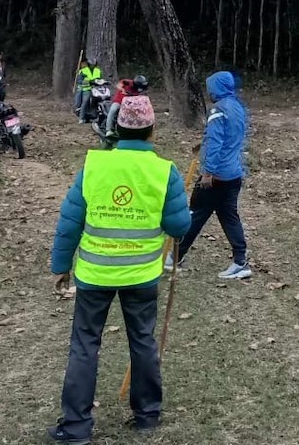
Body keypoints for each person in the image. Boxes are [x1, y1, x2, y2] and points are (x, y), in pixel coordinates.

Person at [47, 95, 191, 443]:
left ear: (117, 128)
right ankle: (147, 415)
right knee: (142, 341)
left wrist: (61, 265)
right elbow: (179, 227)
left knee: (85, 345)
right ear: (152, 130)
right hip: (141, 275)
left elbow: (70, 222)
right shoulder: (164, 171)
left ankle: (77, 426)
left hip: (94, 274)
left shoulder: (94, 166)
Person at [168, 71, 251, 280]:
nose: (209, 93)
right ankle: (240, 261)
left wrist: (208, 172)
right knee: (229, 215)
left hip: (217, 176)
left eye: (210, 88)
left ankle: (175, 257)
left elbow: (215, 141)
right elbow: (231, 138)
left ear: (217, 89)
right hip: (234, 173)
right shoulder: (237, 107)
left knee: (195, 214)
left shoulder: (217, 110)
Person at [73, 58, 103, 124]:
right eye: (91, 64)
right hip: (87, 89)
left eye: (94, 64)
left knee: (100, 100)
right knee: (85, 101)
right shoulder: (83, 71)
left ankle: (98, 116)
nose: (92, 65)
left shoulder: (98, 71)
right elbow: (79, 81)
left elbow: (101, 79)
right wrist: (87, 82)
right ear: (88, 64)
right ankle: (81, 118)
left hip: (96, 89)